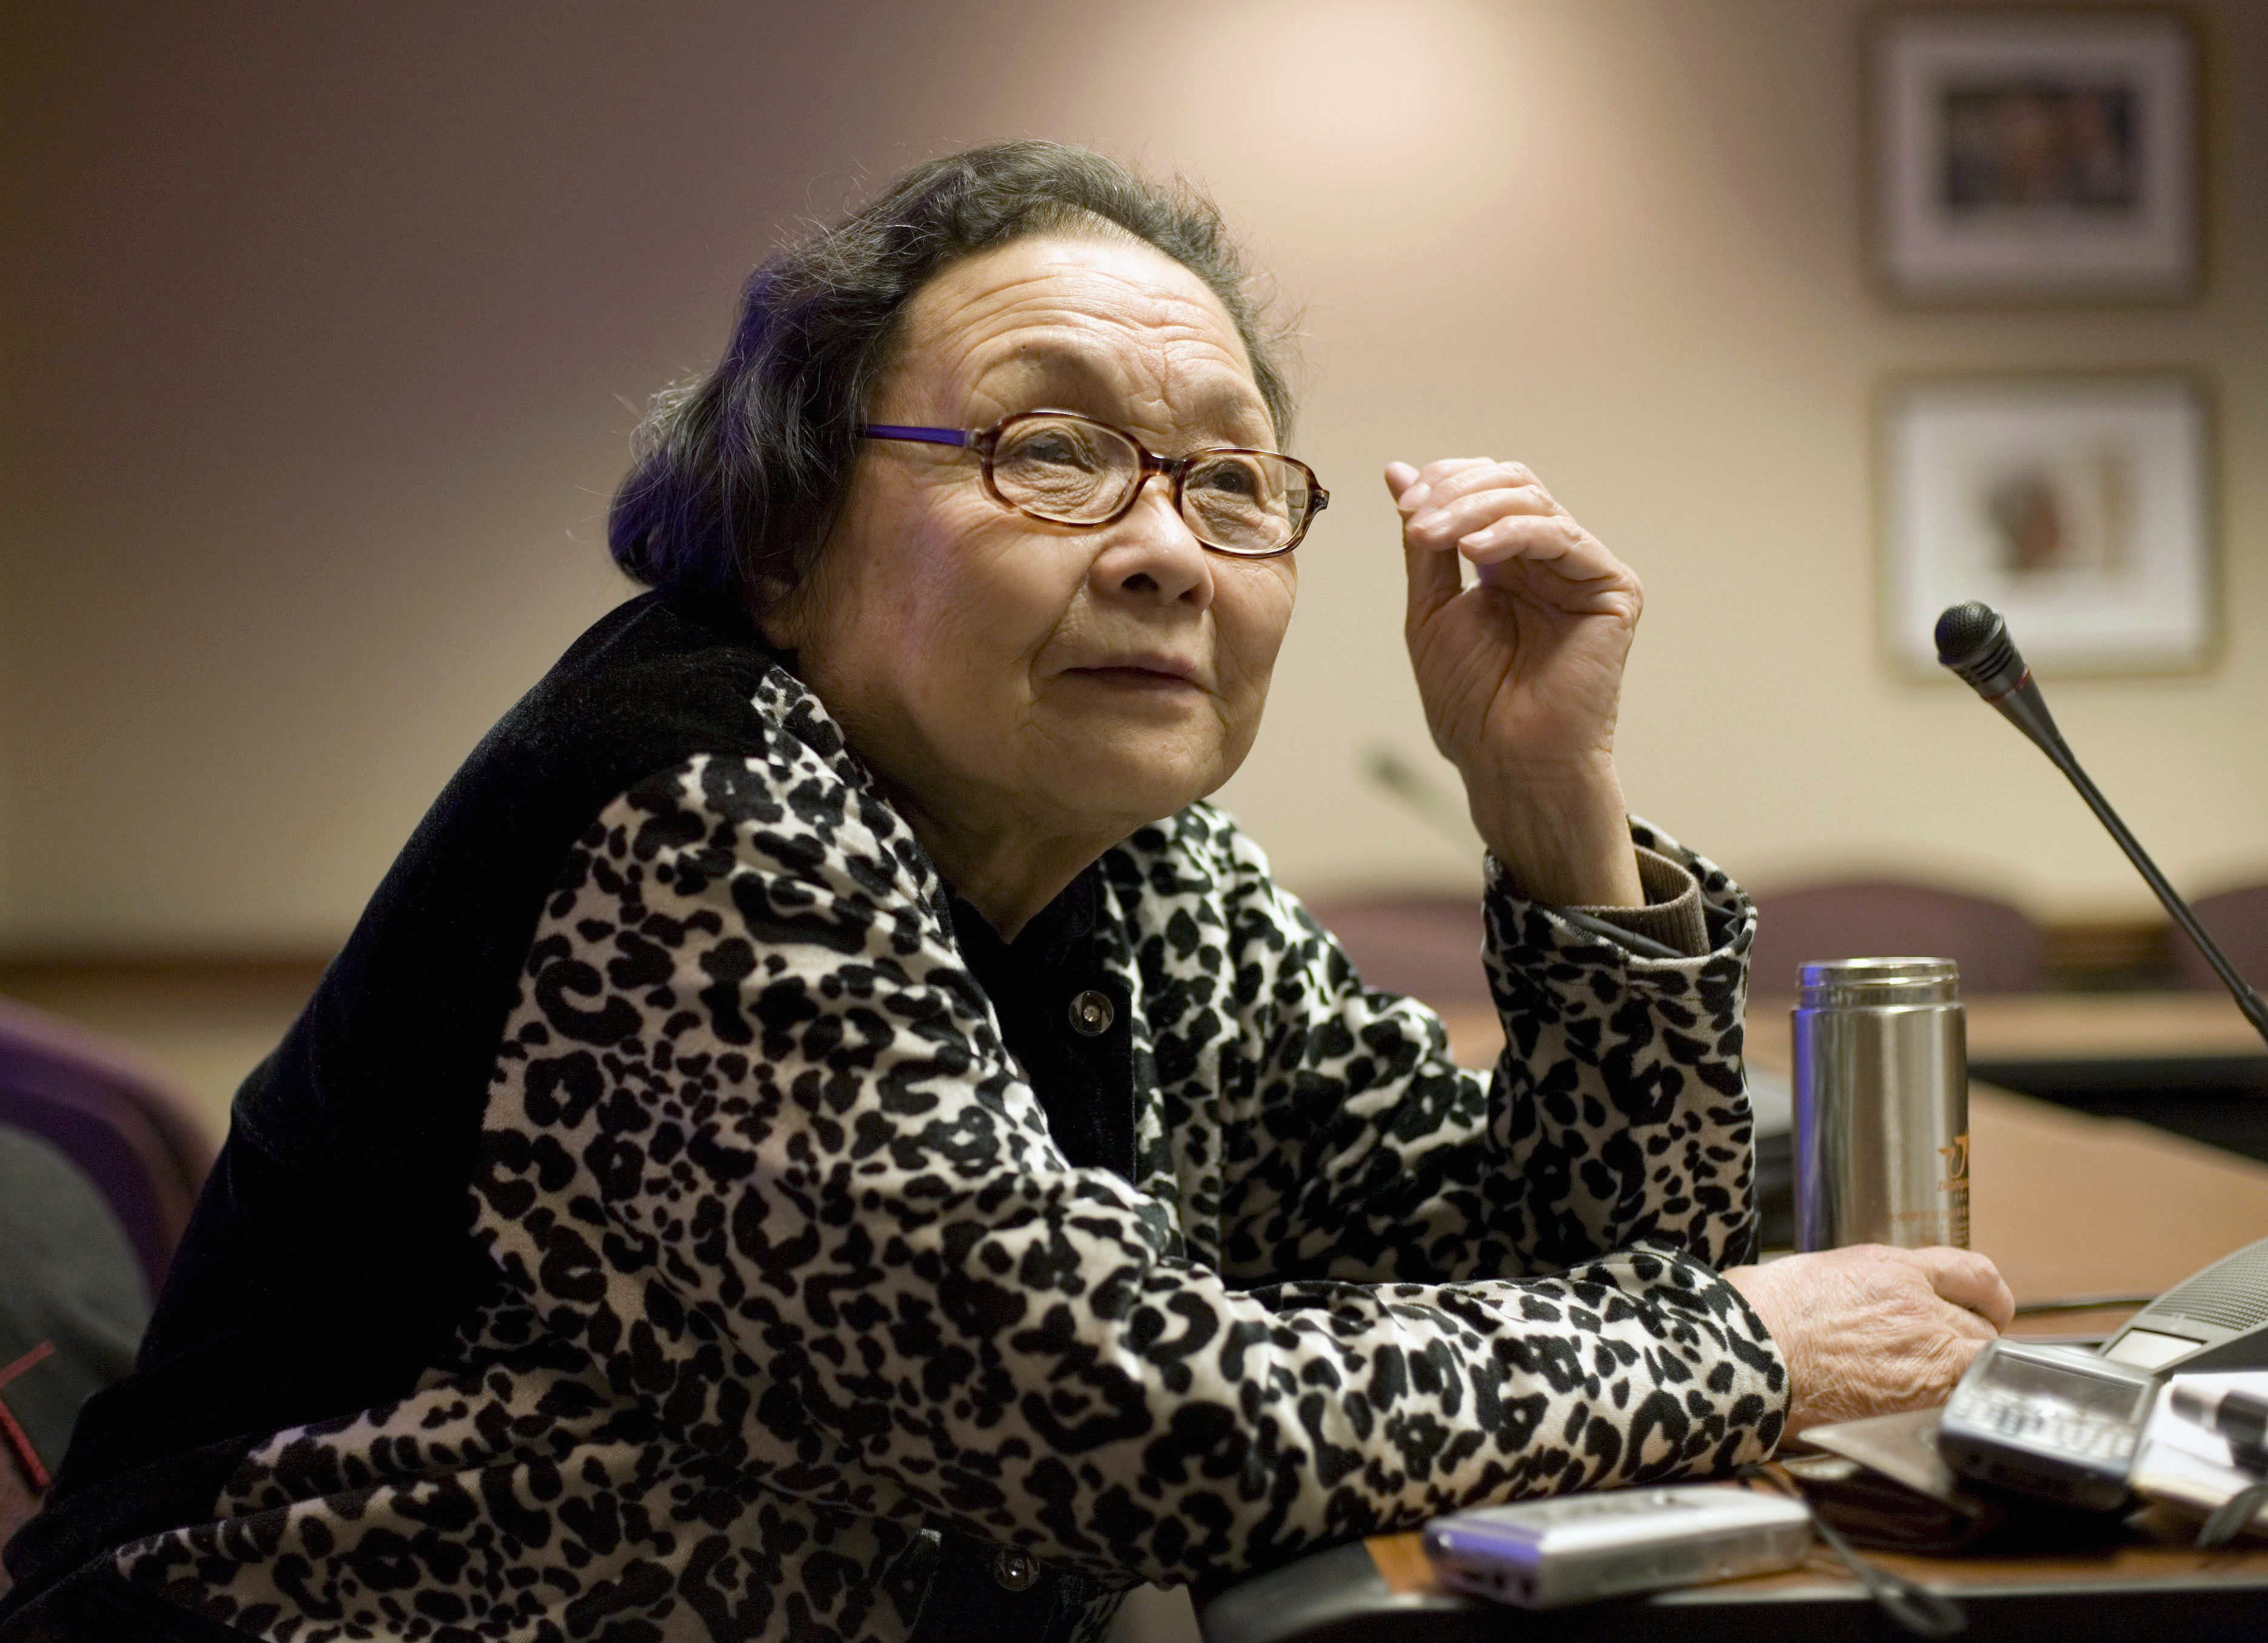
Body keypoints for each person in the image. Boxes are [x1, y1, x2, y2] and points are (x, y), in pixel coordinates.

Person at [0, 141, 2011, 1643]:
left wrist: (1550, 809)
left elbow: (1555, 1252)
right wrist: (1752, 1351)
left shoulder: (1140, 859)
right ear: (783, 538)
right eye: (1051, 452)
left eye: (1231, 482)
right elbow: (1138, 1424)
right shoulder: (697, 812)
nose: (1165, 551)